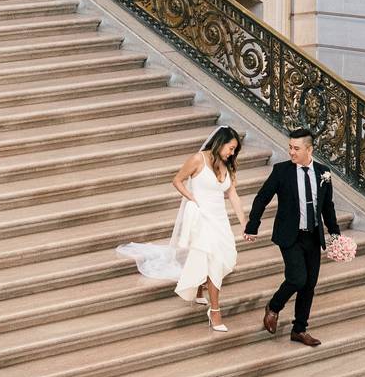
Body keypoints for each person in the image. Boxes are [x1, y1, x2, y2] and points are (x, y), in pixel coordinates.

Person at [118, 125, 245, 331]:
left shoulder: (228, 165)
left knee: (225, 258)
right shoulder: (198, 159)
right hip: (201, 218)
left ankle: (199, 290)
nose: (232, 153)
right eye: (230, 148)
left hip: (220, 220)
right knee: (214, 259)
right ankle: (215, 312)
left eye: (234, 150)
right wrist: (192, 199)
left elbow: (233, 195)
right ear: (220, 143)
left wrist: (246, 224)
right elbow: (177, 180)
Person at [243, 128, 340, 346]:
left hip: (313, 237)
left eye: (296, 148)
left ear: (309, 149)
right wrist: (253, 225)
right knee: (297, 278)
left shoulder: (323, 173)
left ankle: (299, 330)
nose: (291, 152)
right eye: (290, 147)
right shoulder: (281, 171)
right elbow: (262, 198)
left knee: (309, 285)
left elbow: (327, 207)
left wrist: (335, 235)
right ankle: (274, 306)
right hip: (290, 236)